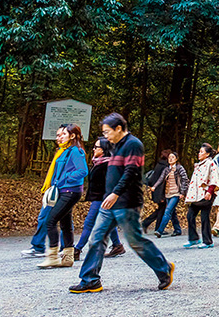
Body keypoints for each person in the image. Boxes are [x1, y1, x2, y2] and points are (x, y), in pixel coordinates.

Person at [70, 112, 173, 294]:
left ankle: (164, 268)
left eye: (107, 131)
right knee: (96, 238)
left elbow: (131, 171)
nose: (106, 136)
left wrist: (116, 193)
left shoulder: (134, 144)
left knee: (135, 241)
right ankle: (90, 279)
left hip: (127, 202)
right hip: (109, 202)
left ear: (119, 129)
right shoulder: (115, 145)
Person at [38, 124, 88, 268]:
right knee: (66, 224)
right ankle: (68, 258)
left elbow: (83, 171)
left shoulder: (75, 151)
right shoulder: (63, 151)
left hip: (70, 191)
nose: (60, 137)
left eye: (64, 134)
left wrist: (66, 177)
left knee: (50, 220)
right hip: (62, 190)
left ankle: (52, 256)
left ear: (72, 136)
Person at [75, 138, 124, 260]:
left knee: (89, 223)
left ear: (103, 150)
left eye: (96, 147)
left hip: (103, 198)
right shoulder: (99, 162)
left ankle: (77, 249)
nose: (93, 149)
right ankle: (117, 245)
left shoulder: (108, 165)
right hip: (100, 197)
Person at [183, 143, 219, 249]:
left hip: (206, 194)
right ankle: (193, 238)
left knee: (204, 217)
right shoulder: (199, 165)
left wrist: (210, 191)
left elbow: (214, 178)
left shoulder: (210, 164)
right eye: (199, 151)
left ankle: (207, 241)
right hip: (197, 195)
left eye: (201, 152)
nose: (199, 154)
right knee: (190, 215)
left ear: (207, 154)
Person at [150, 151, 187, 237]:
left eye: (173, 157)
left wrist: (182, 192)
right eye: (169, 157)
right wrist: (154, 187)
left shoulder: (179, 168)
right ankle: (177, 230)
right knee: (172, 212)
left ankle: (160, 230)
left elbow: (185, 179)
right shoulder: (166, 169)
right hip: (168, 194)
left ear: (176, 159)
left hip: (176, 193)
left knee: (167, 211)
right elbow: (160, 179)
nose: (170, 159)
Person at [141, 150, 171, 233]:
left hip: (156, 190)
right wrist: (161, 195)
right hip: (159, 191)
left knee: (161, 209)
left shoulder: (159, 164)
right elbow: (161, 181)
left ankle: (149, 224)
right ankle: (154, 227)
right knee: (161, 209)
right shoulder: (164, 166)